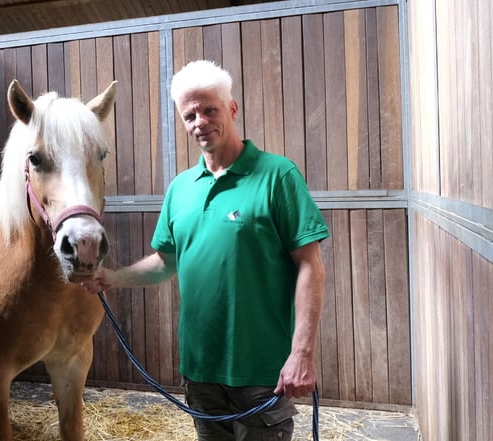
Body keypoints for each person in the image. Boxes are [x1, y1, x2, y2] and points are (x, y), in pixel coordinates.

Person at [85, 60, 328, 441]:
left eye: (209, 109)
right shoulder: (181, 188)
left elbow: (310, 266)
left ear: (231, 109)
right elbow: (166, 262)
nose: (200, 121)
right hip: (200, 371)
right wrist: (113, 277)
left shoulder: (278, 176)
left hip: (264, 372)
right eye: (190, 114)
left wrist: (302, 354)